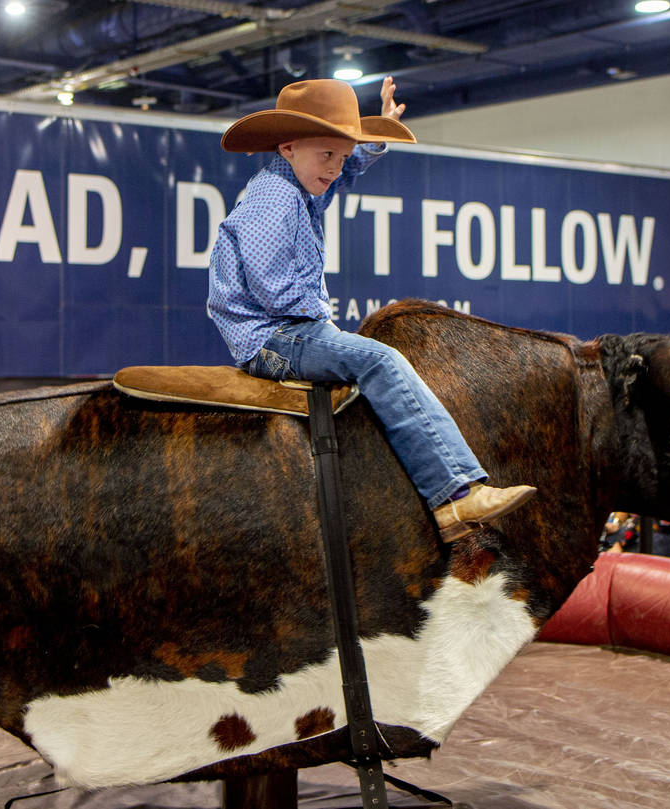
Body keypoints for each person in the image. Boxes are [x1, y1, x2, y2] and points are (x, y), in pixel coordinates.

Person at [207, 77, 535, 542]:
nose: (336, 169)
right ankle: (453, 496)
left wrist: (375, 134)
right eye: (328, 156)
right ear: (287, 147)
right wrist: (324, 327)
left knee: (370, 356)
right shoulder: (274, 199)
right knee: (380, 359)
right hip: (272, 339)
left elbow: (344, 166)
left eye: (341, 157)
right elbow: (272, 290)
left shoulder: (299, 184)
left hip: (286, 329)